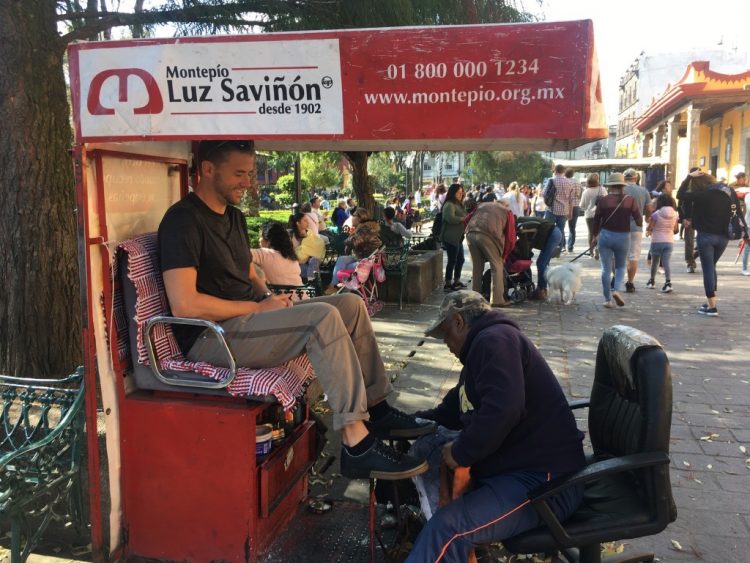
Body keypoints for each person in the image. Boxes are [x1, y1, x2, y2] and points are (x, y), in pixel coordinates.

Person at [158, 140, 434, 480]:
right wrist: (257, 309)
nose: (248, 183)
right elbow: (185, 304)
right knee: (322, 318)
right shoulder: (182, 221)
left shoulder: (232, 216)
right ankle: (356, 443)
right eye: (240, 174)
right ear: (208, 170)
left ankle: (377, 408)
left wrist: (268, 298)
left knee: (349, 303)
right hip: (210, 337)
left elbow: (247, 270)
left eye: (251, 174)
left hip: (248, 319)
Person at [406, 290, 585, 562]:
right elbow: (455, 408)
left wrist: (461, 453)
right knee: (432, 459)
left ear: (458, 321)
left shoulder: (494, 341)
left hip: (546, 484)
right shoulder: (482, 350)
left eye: (445, 334)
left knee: (448, 529)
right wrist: (408, 423)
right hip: (518, 471)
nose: (446, 343)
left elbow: (504, 409)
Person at [681, 171, 748, 316]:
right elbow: (738, 212)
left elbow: (680, 194)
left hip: (706, 237)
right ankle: (711, 302)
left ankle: (712, 307)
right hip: (723, 238)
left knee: (708, 269)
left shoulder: (702, 195)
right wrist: (746, 233)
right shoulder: (728, 191)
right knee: (711, 267)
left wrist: (688, 177)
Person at [591, 173, 643, 309]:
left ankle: (607, 299)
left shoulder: (603, 201)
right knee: (620, 266)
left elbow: (596, 220)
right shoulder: (630, 200)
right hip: (623, 237)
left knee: (605, 269)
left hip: (606, 236)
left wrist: (594, 236)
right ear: (622, 186)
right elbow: (639, 220)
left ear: (610, 186)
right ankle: (617, 290)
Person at [465, 201, 512, 307]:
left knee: (477, 267)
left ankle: (475, 298)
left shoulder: (482, 205)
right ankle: (497, 300)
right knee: (497, 266)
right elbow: (510, 236)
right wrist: (504, 254)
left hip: (470, 232)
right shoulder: (506, 211)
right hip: (488, 235)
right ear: (506, 205)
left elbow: (466, 219)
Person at [325, 207, 382, 294]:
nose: (352, 217)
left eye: (354, 215)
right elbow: (349, 247)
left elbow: (353, 242)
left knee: (347, 269)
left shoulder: (364, 230)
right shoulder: (362, 228)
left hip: (367, 262)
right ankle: (333, 286)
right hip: (361, 258)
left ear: (360, 218)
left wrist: (350, 236)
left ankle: (342, 293)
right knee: (342, 259)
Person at [251, 221, 305, 290]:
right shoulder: (290, 256)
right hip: (304, 296)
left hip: (287, 299)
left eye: (260, 236)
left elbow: (239, 254)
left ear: (268, 240)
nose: (259, 240)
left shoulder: (263, 254)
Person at [622, 168, 652, 293]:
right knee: (633, 256)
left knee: (617, 254)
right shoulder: (643, 191)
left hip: (619, 227)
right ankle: (630, 282)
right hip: (636, 228)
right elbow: (649, 209)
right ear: (636, 178)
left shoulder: (620, 189)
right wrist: (647, 219)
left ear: (624, 178)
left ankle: (615, 279)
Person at [644, 195, 679, 293]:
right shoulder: (675, 214)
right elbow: (675, 229)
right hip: (669, 241)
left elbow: (650, 227)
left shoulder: (656, 214)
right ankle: (668, 283)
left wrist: (648, 229)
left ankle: (651, 282)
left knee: (655, 262)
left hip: (657, 241)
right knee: (666, 262)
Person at [544, 164, 578, 252]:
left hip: (551, 210)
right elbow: (571, 200)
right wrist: (570, 212)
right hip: (564, 211)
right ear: (563, 171)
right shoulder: (570, 182)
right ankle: (560, 248)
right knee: (561, 230)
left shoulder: (551, 180)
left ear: (555, 171)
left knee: (549, 230)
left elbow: (543, 193)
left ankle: (550, 248)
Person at [441, 183, 468, 291]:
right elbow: (449, 218)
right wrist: (463, 219)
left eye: (462, 192)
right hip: (450, 237)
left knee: (460, 259)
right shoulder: (449, 204)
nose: (460, 194)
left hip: (458, 237)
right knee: (452, 260)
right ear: (453, 193)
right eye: (458, 192)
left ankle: (456, 281)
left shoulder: (459, 204)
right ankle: (448, 283)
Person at [676, 168, 700, 273]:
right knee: (689, 242)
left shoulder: (702, 186)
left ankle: (693, 256)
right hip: (689, 218)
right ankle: (690, 263)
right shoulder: (685, 186)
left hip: (701, 218)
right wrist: (683, 218)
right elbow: (679, 204)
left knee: (703, 242)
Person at [289, 212, 326, 280]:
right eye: (305, 220)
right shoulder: (291, 236)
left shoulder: (309, 232)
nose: (308, 222)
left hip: (311, 263)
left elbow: (318, 244)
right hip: (297, 265)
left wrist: (310, 253)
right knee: (313, 269)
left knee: (314, 260)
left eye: (307, 220)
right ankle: (314, 283)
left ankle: (313, 283)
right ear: (298, 223)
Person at [579, 173, 607, 260]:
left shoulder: (586, 192)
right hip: (602, 215)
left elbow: (582, 206)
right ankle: (598, 250)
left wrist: (588, 207)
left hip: (589, 215)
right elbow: (607, 202)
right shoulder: (603, 190)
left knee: (591, 233)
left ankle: (591, 251)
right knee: (600, 233)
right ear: (597, 180)